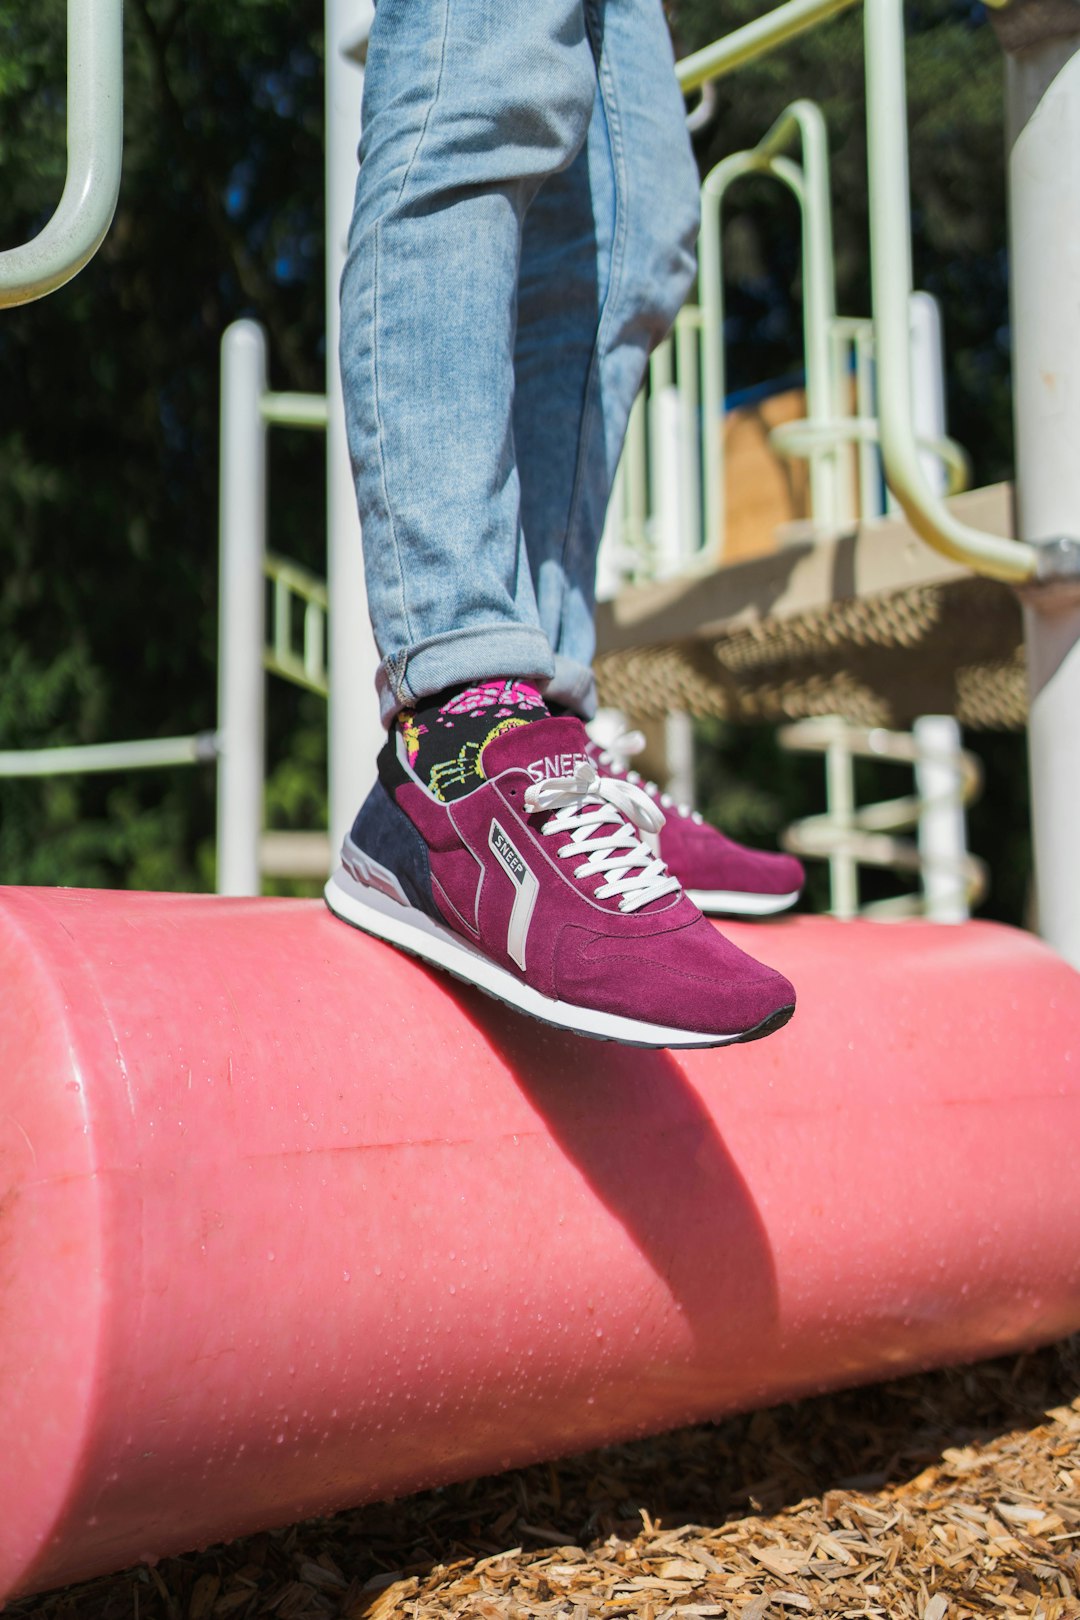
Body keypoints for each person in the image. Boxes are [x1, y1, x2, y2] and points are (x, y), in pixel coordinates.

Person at [323, 0, 803, 1048]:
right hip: (445, 735)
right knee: (476, 97)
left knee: (640, 237)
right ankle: (458, 737)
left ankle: (546, 748)